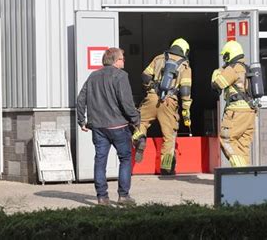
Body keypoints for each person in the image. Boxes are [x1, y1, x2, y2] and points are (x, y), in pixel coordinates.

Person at [77, 48, 139, 205]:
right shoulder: (121, 76)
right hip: (118, 126)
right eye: (123, 58)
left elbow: (81, 98)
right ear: (116, 60)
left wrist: (81, 120)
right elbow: (126, 102)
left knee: (100, 160)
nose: (124, 60)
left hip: (98, 127)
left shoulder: (93, 76)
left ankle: (102, 197)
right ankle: (123, 196)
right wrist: (135, 120)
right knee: (125, 159)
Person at [132, 38, 192, 175]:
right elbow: (185, 90)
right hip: (169, 102)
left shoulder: (158, 58)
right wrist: (186, 110)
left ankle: (139, 138)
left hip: (152, 98)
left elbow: (145, 76)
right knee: (169, 137)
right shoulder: (185, 66)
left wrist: (151, 88)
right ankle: (166, 168)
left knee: (140, 122)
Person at [211, 40, 257, 167]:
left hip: (236, 112)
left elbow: (217, 85)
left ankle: (240, 171)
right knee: (243, 146)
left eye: (225, 56)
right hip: (250, 112)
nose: (225, 60)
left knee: (227, 140)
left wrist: (215, 74)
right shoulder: (246, 68)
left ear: (230, 54)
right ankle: (245, 180)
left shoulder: (233, 68)